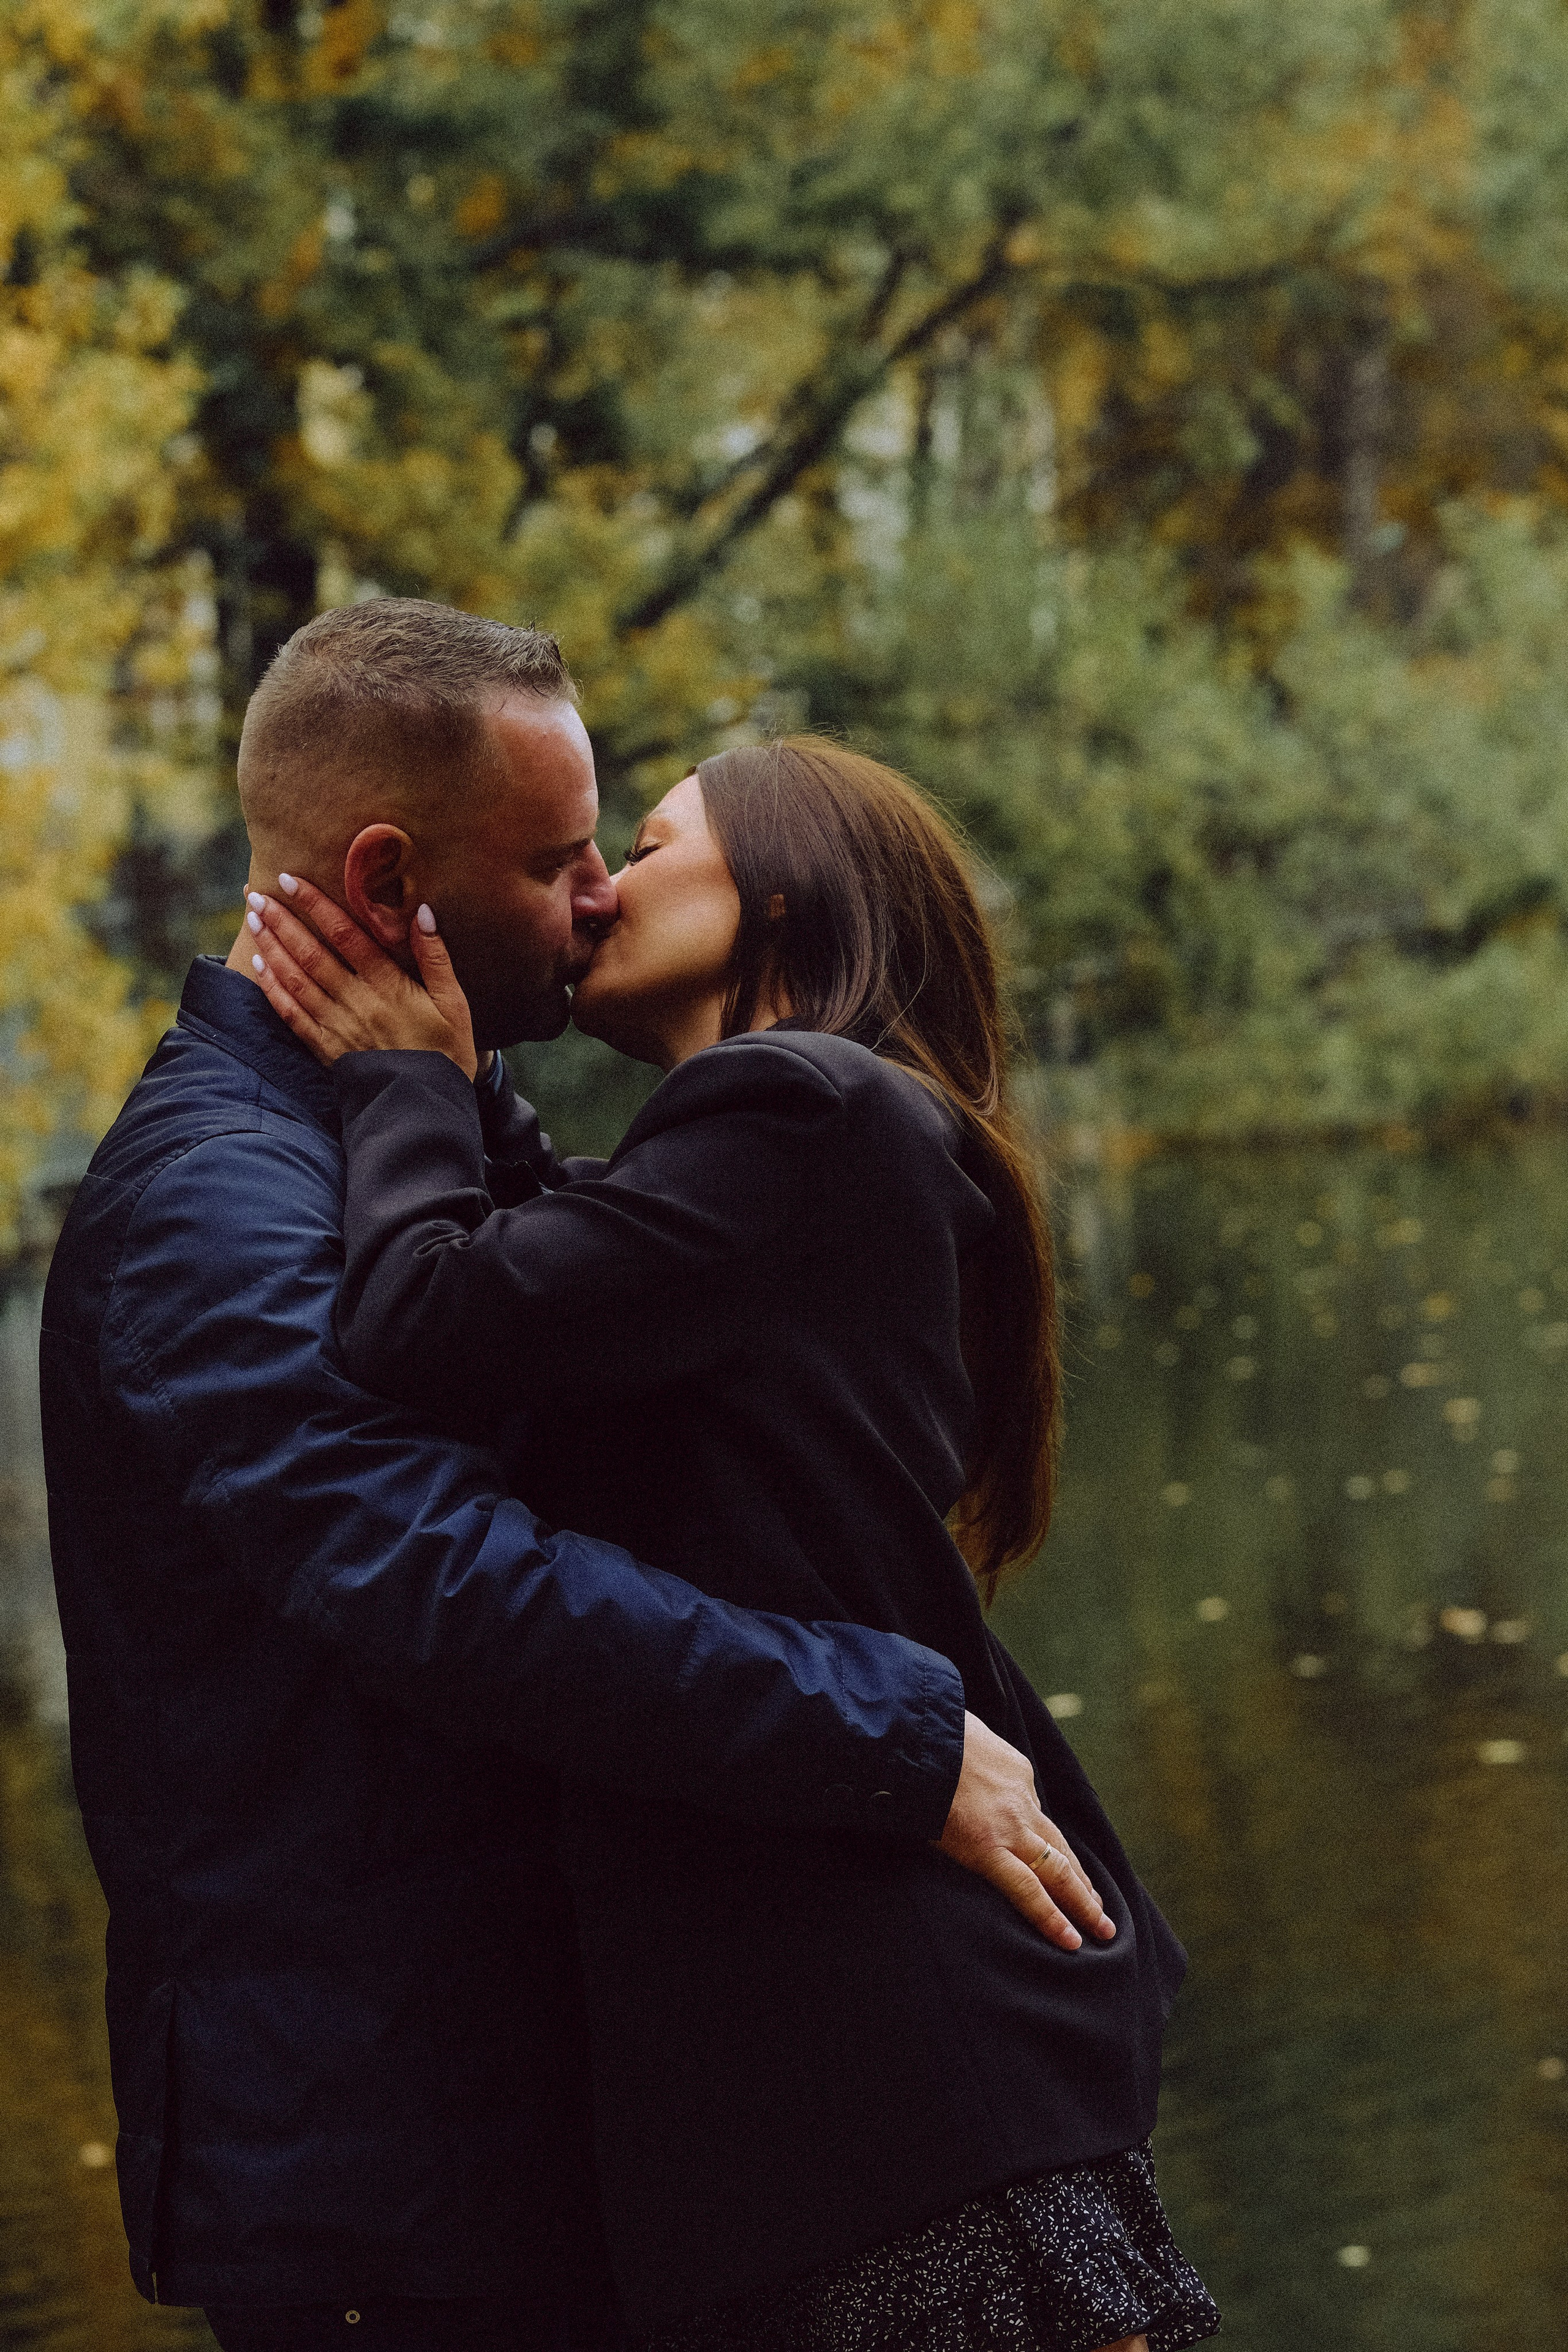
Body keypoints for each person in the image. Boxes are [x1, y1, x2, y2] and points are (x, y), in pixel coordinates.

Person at [40, 606, 1108, 2352]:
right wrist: (891, 1738)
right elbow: (440, 1578)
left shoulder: (403, 1126)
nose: (598, 890)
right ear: (390, 878)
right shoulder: (215, 1201)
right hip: (387, 2185)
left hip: (532, 2140)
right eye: (554, 860)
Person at [246, 734, 1221, 2352]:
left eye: (644, 840)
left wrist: (407, 1079)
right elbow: (540, 1294)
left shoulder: (799, 1111)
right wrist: (466, 1075)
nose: (599, 888)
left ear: (778, 886)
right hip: (852, 2045)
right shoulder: (781, 1156)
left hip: (891, 2055)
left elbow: (420, 1316)